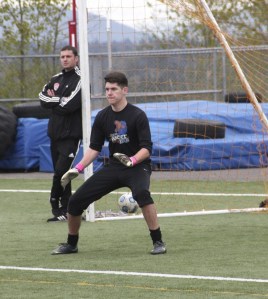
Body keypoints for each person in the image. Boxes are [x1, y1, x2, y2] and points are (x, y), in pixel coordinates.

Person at [51, 71, 166, 255]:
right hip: (115, 166)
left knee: (142, 194)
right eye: (107, 89)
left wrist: (132, 160)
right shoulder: (103, 117)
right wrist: (77, 168)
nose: (109, 93)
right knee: (75, 201)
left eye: (114, 89)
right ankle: (71, 244)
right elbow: (94, 148)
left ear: (124, 90)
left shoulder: (138, 115)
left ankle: (158, 241)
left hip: (137, 166)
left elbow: (147, 149)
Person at [39, 45, 82, 222]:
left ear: (76, 58)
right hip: (54, 134)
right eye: (62, 56)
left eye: (68, 56)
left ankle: (55, 204)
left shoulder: (80, 79)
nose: (65, 59)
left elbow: (70, 105)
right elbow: (42, 98)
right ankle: (67, 210)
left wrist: (54, 100)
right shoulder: (55, 78)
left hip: (70, 136)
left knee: (61, 172)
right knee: (64, 175)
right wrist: (59, 99)